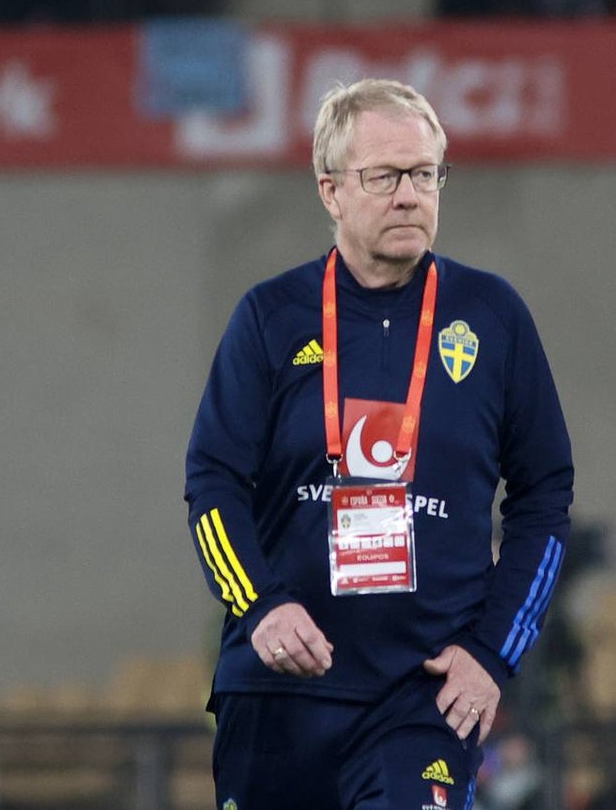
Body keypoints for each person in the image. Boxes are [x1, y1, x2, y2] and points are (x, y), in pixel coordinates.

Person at [183, 78, 573, 810]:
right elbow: (213, 481)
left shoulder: (492, 318)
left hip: (420, 696)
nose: (408, 194)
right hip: (279, 693)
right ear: (330, 191)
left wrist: (492, 653)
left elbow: (545, 497)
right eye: (385, 176)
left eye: (424, 173)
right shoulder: (270, 317)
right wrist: (260, 606)